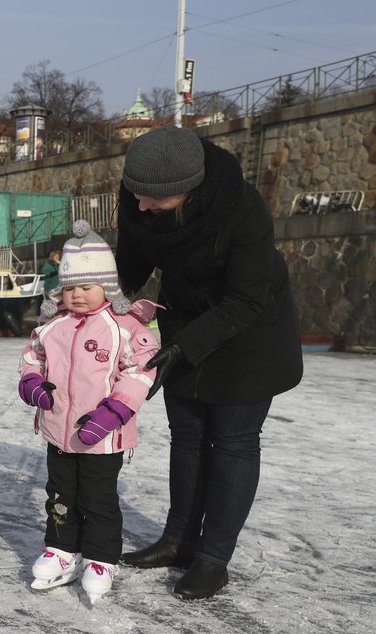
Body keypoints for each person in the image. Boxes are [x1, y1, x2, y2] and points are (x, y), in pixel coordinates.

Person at [115, 124, 303, 600]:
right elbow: (132, 257)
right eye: (136, 194)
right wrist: (104, 297)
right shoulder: (142, 190)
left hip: (249, 332)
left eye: (153, 199)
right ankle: (178, 541)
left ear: (187, 190)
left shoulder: (242, 209)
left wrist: (181, 348)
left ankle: (213, 557)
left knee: (234, 441)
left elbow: (245, 299)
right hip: (184, 316)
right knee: (188, 435)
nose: (140, 206)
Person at [18, 220, 159, 604]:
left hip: (102, 437)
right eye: (70, 288)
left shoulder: (122, 326)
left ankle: (100, 558)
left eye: (86, 287)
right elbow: (33, 358)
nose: (77, 295)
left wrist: (114, 411)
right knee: (60, 494)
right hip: (58, 434)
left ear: (107, 288)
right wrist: (31, 383)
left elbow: (141, 370)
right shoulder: (54, 324)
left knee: (97, 499)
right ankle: (62, 550)